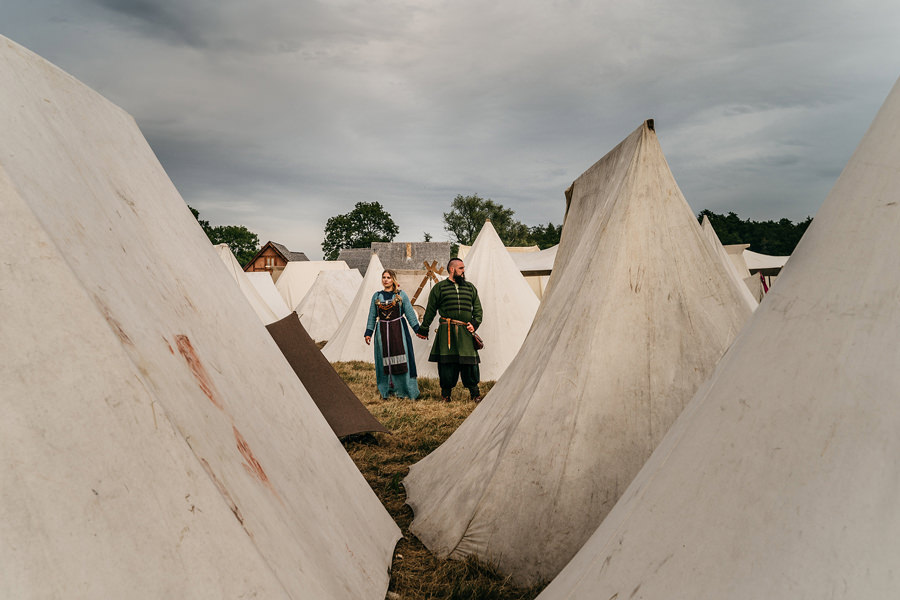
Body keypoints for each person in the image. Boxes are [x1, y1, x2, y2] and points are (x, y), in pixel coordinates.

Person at [416, 258, 483, 402]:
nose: (463, 271)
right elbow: (431, 310)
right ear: (452, 270)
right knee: (447, 364)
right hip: (447, 331)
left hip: (465, 332)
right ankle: (446, 395)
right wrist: (424, 328)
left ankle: (475, 394)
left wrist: (474, 323)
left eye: (463, 268)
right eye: (460, 268)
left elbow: (478, 310)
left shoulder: (470, 288)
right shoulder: (439, 288)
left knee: (470, 364)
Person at [365, 269, 423, 399]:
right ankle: (387, 390)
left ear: (393, 280)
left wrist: (418, 330)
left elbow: (410, 314)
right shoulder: (376, 296)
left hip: (398, 331)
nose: (386, 280)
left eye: (388, 277)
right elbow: (372, 316)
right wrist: (368, 332)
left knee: (403, 358)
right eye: (384, 277)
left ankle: (406, 390)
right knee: (384, 360)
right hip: (382, 331)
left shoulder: (401, 295)